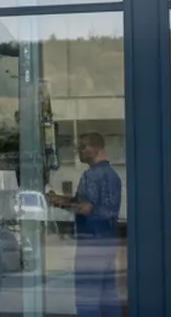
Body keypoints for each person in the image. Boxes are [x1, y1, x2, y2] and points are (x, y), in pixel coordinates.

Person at [46, 132, 122, 317]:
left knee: (87, 295)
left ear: (96, 148)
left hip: (90, 241)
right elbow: (91, 203)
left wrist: (60, 203)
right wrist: (63, 200)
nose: (78, 151)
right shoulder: (113, 175)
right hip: (108, 239)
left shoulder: (90, 176)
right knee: (107, 293)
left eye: (83, 147)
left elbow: (86, 207)